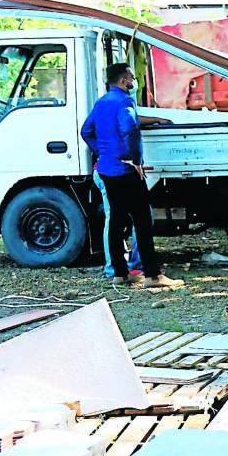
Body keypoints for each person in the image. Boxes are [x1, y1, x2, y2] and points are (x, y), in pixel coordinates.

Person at [81, 63, 183, 289]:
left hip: (107, 169)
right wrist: (134, 159)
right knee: (142, 220)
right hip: (126, 171)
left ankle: (120, 273)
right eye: (131, 76)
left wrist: (102, 151)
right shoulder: (124, 101)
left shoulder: (102, 103)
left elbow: (86, 131)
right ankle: (153, 276)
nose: (134, 80)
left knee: (116, 220)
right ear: (122, 80)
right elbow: (129, 128)